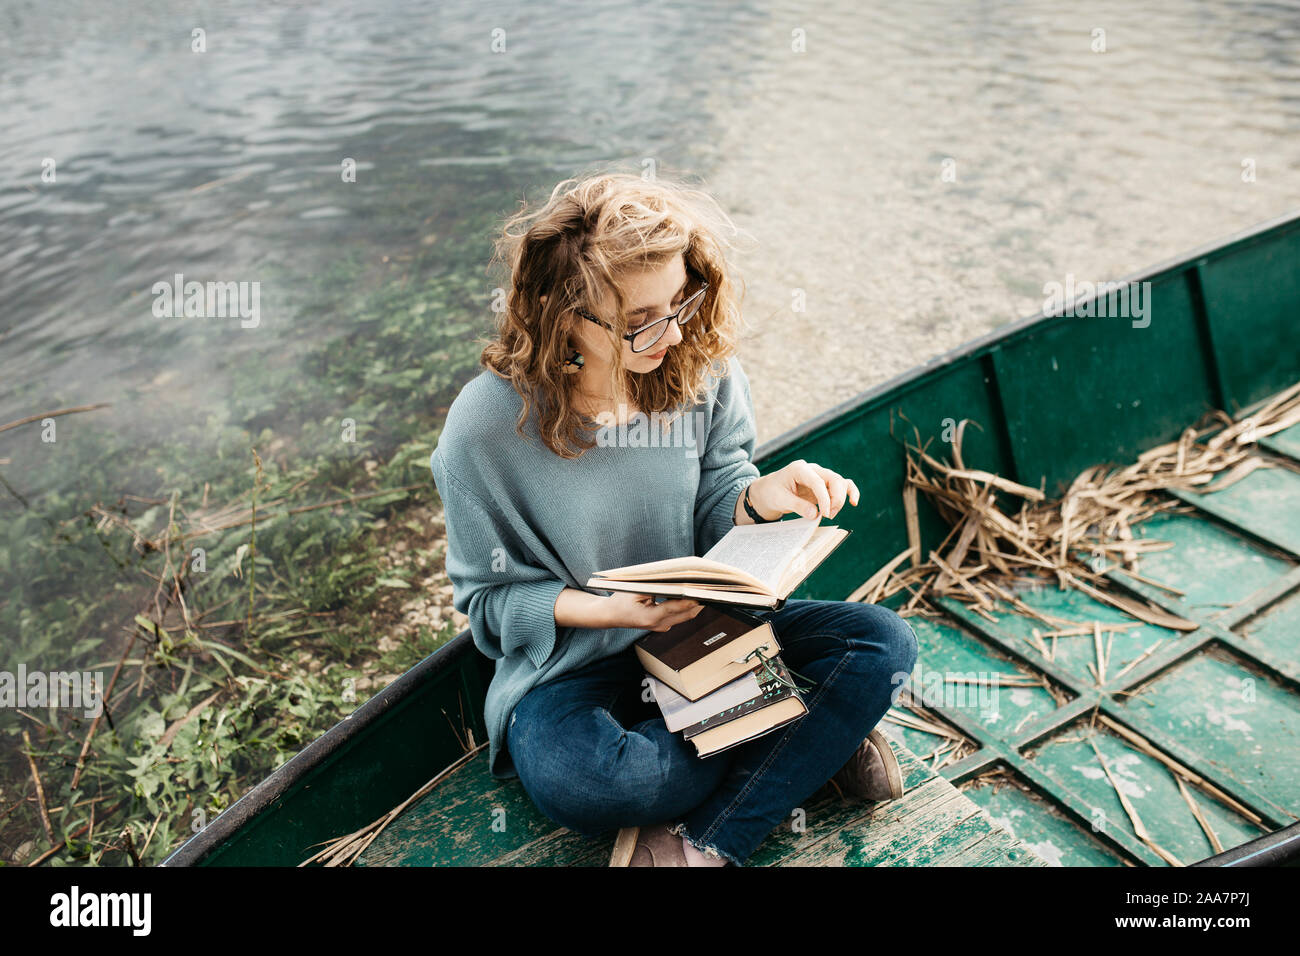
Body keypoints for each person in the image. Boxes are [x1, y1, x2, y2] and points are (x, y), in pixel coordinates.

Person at [429, 169, 918, 867]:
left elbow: (722, 495)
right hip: (572, 670)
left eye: (679, 302)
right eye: (638, 322)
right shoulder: (482, 431)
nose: (670, 332)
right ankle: (803, 744)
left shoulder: (698, 367)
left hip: (705, 636)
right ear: (564, 312)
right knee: (593, 783)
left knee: (882, 645)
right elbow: (488, 604)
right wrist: (608, 611)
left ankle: (710, 841)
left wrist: (761, 498)